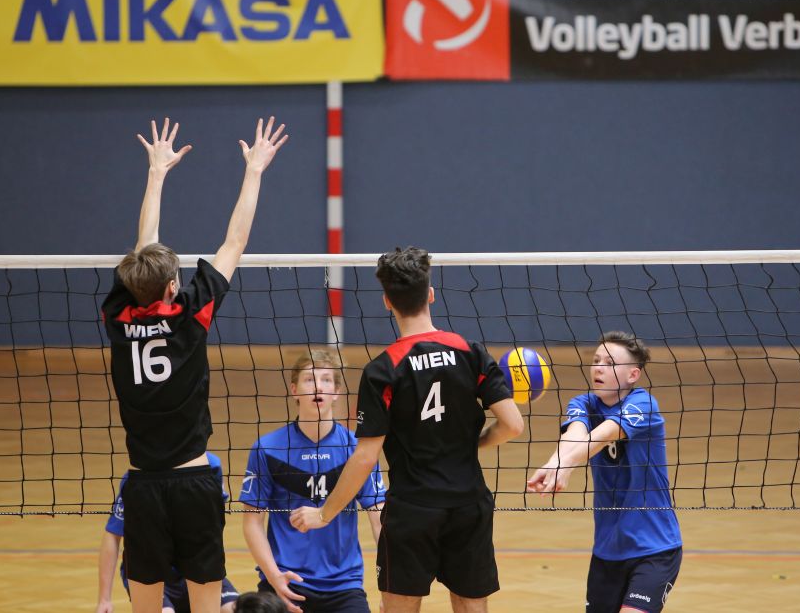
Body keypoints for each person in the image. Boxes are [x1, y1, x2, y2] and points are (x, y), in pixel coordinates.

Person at [101, 116, 289, 613]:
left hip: (142, 484)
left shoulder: (117, 317)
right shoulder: (190, 314)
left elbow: (142, 249)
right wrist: (254, 171)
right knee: (206, 602)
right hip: (192, 483)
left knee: (146, 606)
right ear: (172, 288)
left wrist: (156, 173)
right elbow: (234, 243)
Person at [290, 246, 525, 613]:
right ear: (430, 294)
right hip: (468, 503)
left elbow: (365, 457)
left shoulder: (382, 370)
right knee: (471, 605)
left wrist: (324, 514)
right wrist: (474, 444)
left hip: (412, 510)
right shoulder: (471, 352)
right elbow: (513, 425)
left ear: (387, 301)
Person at [527, 331, 682, 613]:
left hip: (655, 547)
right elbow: (574, 436)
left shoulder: (643, 405)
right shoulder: (582, 403)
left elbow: (602, 435)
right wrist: (554, 464)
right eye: (596, 360)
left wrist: (565, 465)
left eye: (609, 363)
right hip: (607, 550)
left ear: (633, 375)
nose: (598, 368)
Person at [240, 350, 385, 613]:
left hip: (344, 586)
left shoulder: (358, 452)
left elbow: (379, 520)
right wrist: (274, 576)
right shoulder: (268, 449)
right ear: (294, 390)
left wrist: (389, 585)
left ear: (337, 391)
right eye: (309, 379)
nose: (318, 386)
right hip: (285, 582)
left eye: (326, 380)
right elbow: (252, 522)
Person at [97, 452, 240, 613]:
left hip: (194, 568)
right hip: (157, 574)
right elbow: (113, 534)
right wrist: (104, 599)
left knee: (235, 609)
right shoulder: (140, 476)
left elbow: (211, 527)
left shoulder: (210, 465)